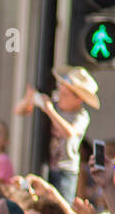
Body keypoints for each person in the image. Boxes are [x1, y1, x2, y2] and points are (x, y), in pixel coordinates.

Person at [15, 67, 97, 203]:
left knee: (61, 205)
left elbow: (69, 132)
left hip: (65, 170)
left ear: (79, 99)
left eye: (65, 95)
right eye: (60, 92)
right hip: (46, 165)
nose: (60, 97)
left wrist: (49, 110)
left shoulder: (81, 115)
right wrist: (29, 99)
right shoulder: (54, 104)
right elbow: (19, 110)